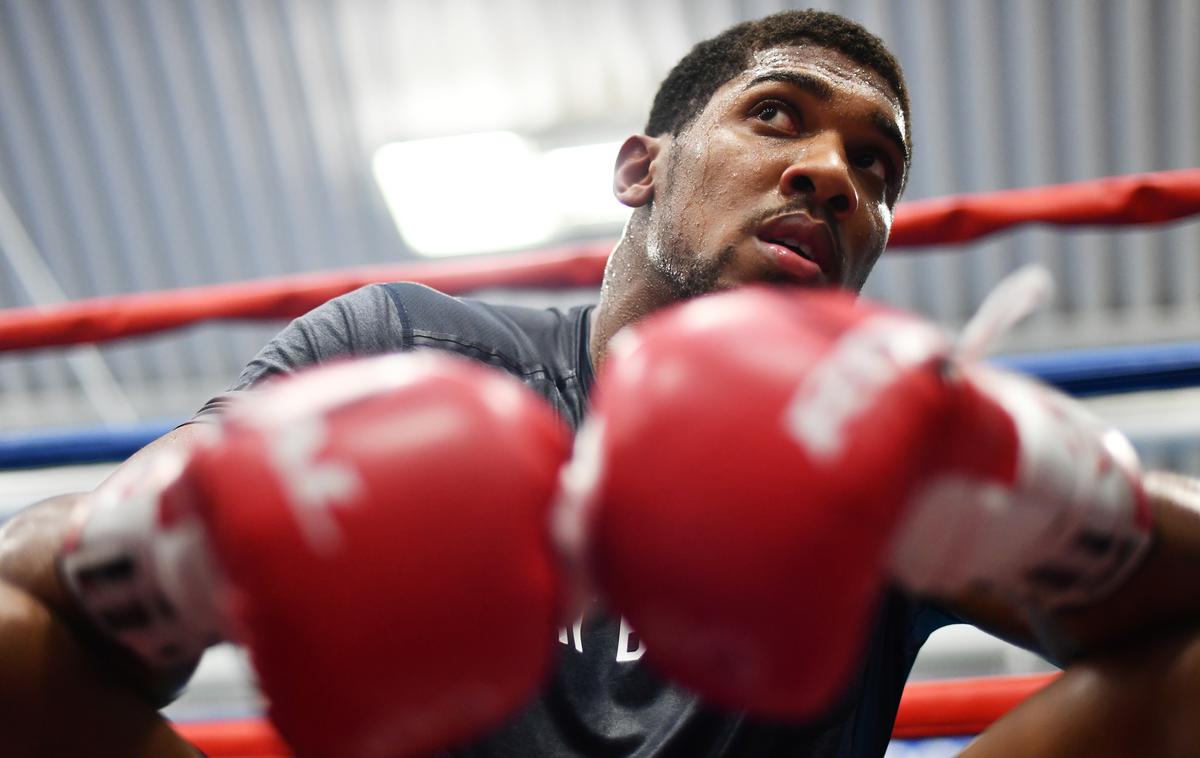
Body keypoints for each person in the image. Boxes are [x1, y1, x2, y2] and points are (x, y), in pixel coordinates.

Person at [2, 9, 1199, 758]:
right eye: (778, 115)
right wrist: (195, 529)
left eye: (874, 167)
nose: (832, 174)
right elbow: (27, 571)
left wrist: (1026, 476)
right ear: (641, 166)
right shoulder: (400, 347)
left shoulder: (885, 440)